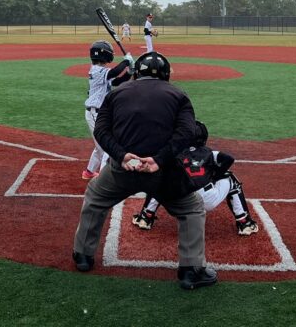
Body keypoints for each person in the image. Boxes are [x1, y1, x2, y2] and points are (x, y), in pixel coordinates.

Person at [72, 51, 217, 290]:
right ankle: (191, 271)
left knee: (95, 199)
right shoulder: (179, 95)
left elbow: (101, 131)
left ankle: (83, 256)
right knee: (191, 209)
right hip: (164, 172)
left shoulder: (117, 93)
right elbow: (187, 134)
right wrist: (159, 159)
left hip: (122, 169)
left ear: (136, 73)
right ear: (166, 75)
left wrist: (121, 156)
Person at [132, 120, 259, 236]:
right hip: (208, 199)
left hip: (181, 200)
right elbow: (229, 159)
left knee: (161, 179)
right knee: (231, 178)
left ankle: (145, 218)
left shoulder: (174, 152)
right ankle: (245, 223)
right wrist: (214, 175)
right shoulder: (209, 152)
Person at [81, 41, 134, 180]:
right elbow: (115, 72)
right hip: (95, 113)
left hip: (100, 113)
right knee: (106, 146)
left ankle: (89, 172)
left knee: (100, 145)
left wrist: (129, 72)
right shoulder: (97, 70)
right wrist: (126, 61)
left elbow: (117, 81)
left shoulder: (101, 71)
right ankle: (105, 179)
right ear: (104, 54)